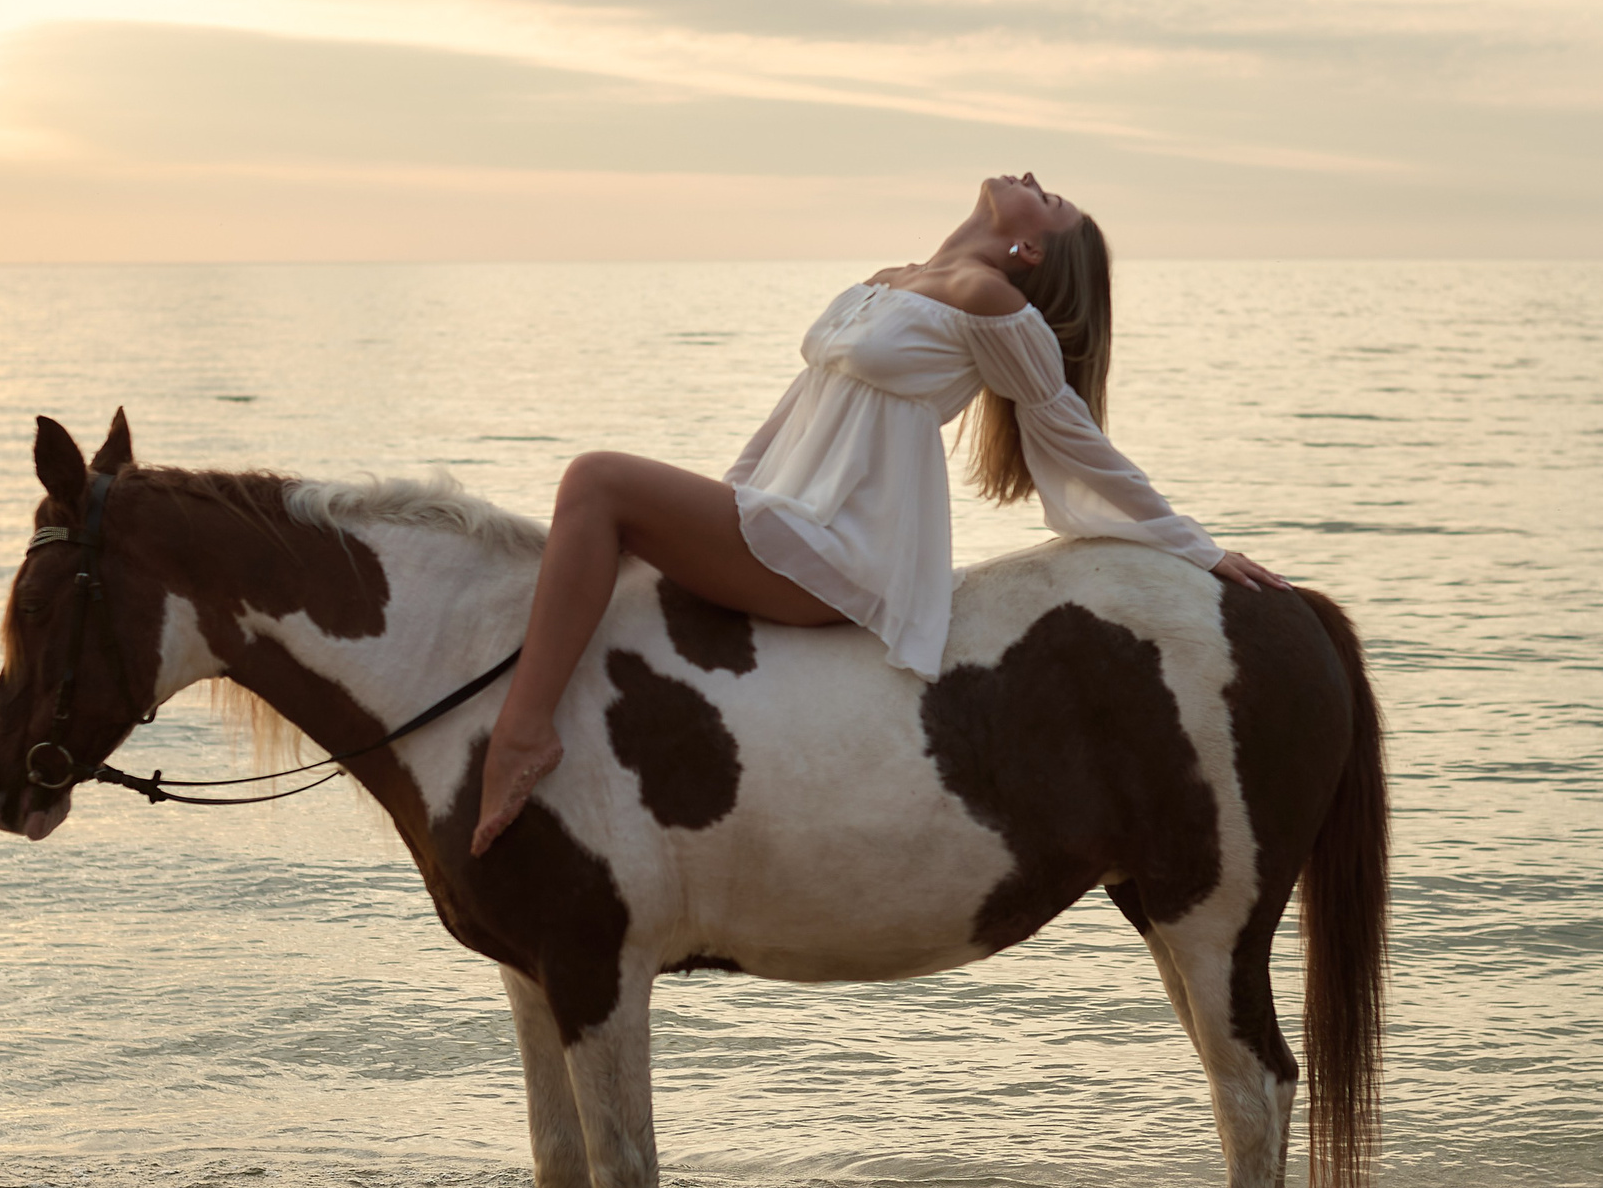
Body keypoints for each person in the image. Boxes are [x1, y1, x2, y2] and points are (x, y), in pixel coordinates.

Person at [470, 172, 1291, 856]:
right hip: (779, 518)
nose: (1039, 182)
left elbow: (1069, 430)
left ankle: (524, 732)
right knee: (610, 508)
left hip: (841, 550)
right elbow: (795, 412)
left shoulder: (990, 299)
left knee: (594, 481)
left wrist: (1196, 546)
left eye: (1056, 200)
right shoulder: (886, 281)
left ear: (1030, 248)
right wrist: (723, 505)